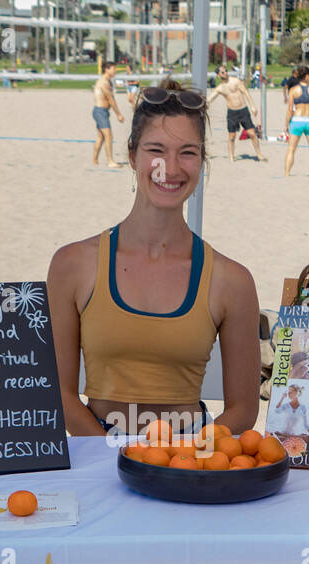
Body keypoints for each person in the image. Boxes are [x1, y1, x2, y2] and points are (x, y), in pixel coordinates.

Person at [48, 80, 261, 437]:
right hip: (98, 449)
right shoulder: (73, 265)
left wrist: (180, 457)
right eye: (156, 150)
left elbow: (243, 410)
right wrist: (118, 457)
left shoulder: (232, 280)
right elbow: (61, 396)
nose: (171, 168)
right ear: (132, 155)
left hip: (190, 455)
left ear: (202, 162)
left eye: (188, 152)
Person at [209, 66, 263, 162]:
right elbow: (209, 99)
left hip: (243, 110)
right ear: (218, 75)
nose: (225, 73)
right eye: (222, 72)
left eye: (225, 71)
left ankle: (259, 155)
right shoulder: (220, 88)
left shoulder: (236, 81)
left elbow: (246, 92)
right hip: (232, 113)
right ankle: (231, 157)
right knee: (232, 136)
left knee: (252, 134)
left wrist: (252, 106)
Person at [285, 65, 309, 176]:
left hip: (297, 120)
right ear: (307, 76)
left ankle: (287, 173)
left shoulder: (293, 90)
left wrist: (286, 124)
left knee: (291, 150)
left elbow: (290, 110)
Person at [92, 62, 126, 167]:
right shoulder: (103, 83)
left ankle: (94, 160)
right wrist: (119, 114)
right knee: (108, 136)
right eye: (113, 68)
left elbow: (111, 98)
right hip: (100, 111)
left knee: (101, 137)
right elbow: (110, 99)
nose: (115, 71)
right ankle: (110, 161)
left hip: (102, 111)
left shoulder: (108, 82)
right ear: (107, 69)